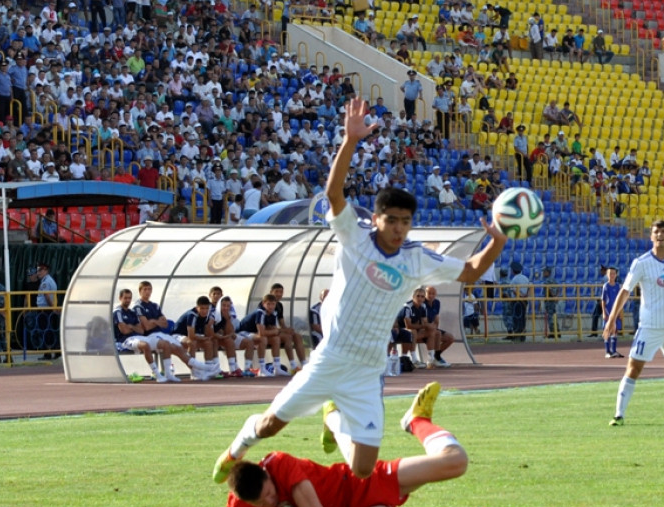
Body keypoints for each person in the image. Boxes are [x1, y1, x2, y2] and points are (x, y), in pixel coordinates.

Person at [213, 97, 506, 484]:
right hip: (330, 357)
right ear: (378, 218)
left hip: (368, 368)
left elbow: (471, 271)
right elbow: (335, 194)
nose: (400, 228)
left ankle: (332, 417)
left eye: (406, 222)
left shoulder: (417, 259)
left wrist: (499, 238)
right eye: (393, 221)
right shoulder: (354, 237)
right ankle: (234, 451)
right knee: (269, 426)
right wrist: (350, 140)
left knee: (363, 469)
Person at [224, 383, 488, 507]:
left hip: (363, 481)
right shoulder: (240, 504)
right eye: (261, 503)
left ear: (266, 474)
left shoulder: (279, 464)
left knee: (456, 462)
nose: (269, 502)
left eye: (269, 494)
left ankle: (415, 421)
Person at [604, 221, 664, 425]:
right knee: (633, 368)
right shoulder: (641, 262)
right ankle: (619, 415)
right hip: (649, 326)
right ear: (651, 237)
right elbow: (625, 291)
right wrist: (612, 318)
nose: (660, 235)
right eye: (656, 232)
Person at [135, 281, 219, 380]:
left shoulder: (155, 306)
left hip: (161, 334)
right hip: (163, 336)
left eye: (149, 289)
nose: (147, 292)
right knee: (190, 342)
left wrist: (153, 321)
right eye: (145, 289)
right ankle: (197, 371)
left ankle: (207, 370)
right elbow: (147, 326)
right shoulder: (138, 306)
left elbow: (165, 323)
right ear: (140, 291)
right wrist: (156, 321)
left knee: (201, 344)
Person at [113, 288, 171, 382]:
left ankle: (168, 373)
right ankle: (157, 374)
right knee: (145, 345)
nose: (128, 300)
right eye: (125, 298)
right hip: (125, 341)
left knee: (165, 343)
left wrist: (131, 326)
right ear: (120, 298)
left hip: (139, 337)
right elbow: (124, 330)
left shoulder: (132, 312)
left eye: (129, 298)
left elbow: (141, 330)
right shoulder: (117, 312)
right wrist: (133, 328)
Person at [601, 266, 623, 357]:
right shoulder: (605, 286)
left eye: (613, 273)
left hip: (616, 311)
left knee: (615, 330)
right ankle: (607, 351)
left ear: (616, 275)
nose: (612, 275)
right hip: (608, 310)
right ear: (607, 275)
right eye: (610, 274)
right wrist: (603, 312)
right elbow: (603, 300)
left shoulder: (618, 286)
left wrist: (621, 311)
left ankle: (613, 350)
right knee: (607, 329)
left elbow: (621, 299)